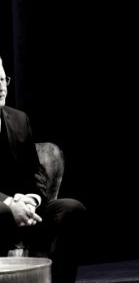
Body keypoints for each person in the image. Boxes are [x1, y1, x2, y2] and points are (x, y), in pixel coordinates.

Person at [0, 56, 86, 283]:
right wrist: (10, 205)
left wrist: (33, 200)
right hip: (1, 210)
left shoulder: (19, 120)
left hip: (26, 208)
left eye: (3, 79)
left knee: (70, 209)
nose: (1, 87)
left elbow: (35, 171)